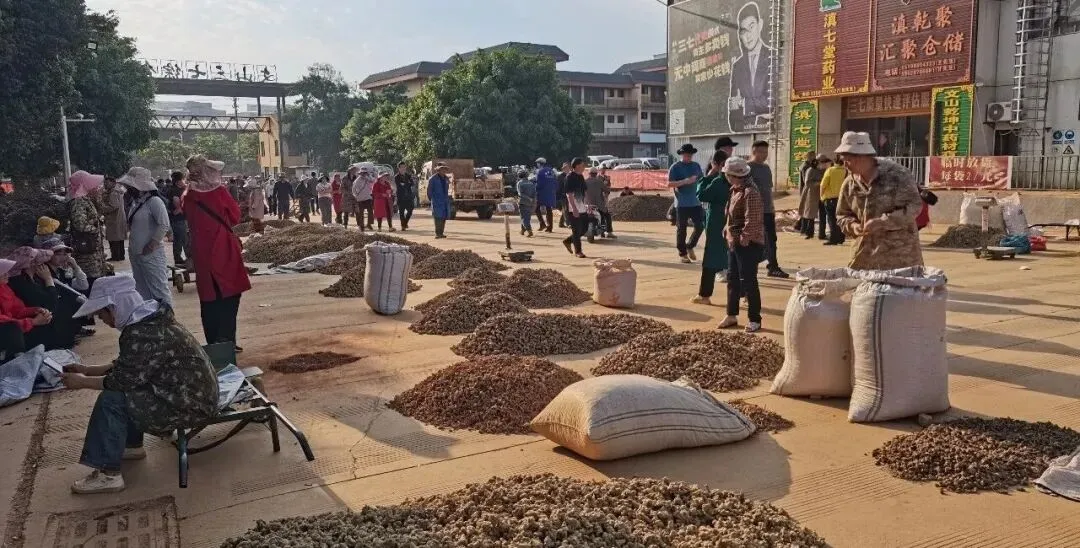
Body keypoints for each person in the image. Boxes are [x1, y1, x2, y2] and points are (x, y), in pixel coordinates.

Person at [61, 275, 218, 494]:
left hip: (190, 405)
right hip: (192, 395)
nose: (103, 320)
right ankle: (132, 445)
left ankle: (109, 475)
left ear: (114, 307)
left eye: (102, 313)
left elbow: (121, 380)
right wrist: (87, 370)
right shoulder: (150, 320)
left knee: (112, 400)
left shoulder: (142, 332)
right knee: (129, 391)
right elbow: (130, 367)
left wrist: (82, 382)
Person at [183, 155, 252, 351]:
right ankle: (226, 339)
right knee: (230, 294)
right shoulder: (219, 193)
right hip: (222, 248)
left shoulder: (188, 195)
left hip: (201, 251)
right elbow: (235, 217)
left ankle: (213, 341)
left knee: (209, 298)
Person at [834, 131, 924, 270]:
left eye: (848, 159)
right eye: (843, 160)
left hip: (900, 257)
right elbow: (842, 215)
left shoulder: (897, 176)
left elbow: (915, 206)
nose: (845, 165)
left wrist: (883, 222)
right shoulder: (849, 183)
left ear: (862, 157)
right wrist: (853, 226)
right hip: (864, 256)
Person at [719, 157, 765, 333]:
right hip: (734, 241)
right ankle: (731, 314)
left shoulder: (750, 192)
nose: (726, 178)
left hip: (748, 244)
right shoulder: (735, 190)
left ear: (734, 176)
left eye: (728, 175)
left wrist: (742, 240)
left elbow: (752, 220)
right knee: (732, 278)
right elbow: (730, 216)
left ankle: (755, 319)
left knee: (749, 281)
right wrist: (727, 231)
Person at [117, 167, 173, 308]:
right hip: (136, 253)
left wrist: (152, 244)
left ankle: (167, 322)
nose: (128, 189)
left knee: (159, 290)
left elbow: (164, 224)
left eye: (130, 186)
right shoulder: (137, 202)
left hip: (151, 254)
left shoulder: (154, 202)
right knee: (142, 291)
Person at [691, 150, 731, 306]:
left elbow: (701, 194)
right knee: (735, 259)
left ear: (717, 164)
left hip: (717, 222)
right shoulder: (738, 182)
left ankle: (704, 295)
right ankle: (746, 294)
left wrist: (708, 175)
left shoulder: (719, 182)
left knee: (710, 259)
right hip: (730, 221)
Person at [728, 2, 773, 132]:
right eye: (743, 31)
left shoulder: (772, 57)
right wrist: (760, 114)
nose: (748, 36)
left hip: (769, 130)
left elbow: (772, 102)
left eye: (751, 27)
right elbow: (734, 118)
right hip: (746, 130)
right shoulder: (738, 66)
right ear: (739, 35)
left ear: (760, 25)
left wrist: (743, 103)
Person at [748, 141, 788, 278]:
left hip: (768, 210)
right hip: (754, 211)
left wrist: (772, 206)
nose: (764, 155)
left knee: (771, 239)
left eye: (766, 152)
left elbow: (768, 189)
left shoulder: (766, 168)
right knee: (754, 240)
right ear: (754, 151)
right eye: (761, 152)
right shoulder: (748, 168)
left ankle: (773, 267)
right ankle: (749, 265)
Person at [0, 259, 53, 363]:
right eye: (3, 272)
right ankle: (18, 363)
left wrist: (36, 311)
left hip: (11, 326)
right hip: (7, 329)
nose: (7, 274)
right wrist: (32, 322)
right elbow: (3, 321)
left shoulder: (4, 287)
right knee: (12, 328)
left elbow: (17, 310)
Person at [667, 143, 705, 264]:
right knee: (681, 229)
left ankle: (690, 245)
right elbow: (669, 184)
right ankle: (682, 253)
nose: (688, 157)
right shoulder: (675, 167)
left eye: (690, 155)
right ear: (681, 154)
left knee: (700, 226)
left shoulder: (696, 166)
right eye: (686, 155)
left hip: (696, 202)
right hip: (682, 203)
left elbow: (701, 180)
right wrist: (685, 181)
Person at [561, 158, 590, 258]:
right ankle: (578, 251)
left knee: (584, 229)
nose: (584, 167)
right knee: (576, 230)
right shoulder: (570, 177)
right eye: (582, 165)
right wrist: (574, 209)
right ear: (577, 166)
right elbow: (569, 194)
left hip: (582, 206)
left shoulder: (581, 176)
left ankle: (568, 241)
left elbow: (585, 192)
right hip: (572, 207)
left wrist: (588, 204)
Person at [819, 155, 847, 245]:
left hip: (830, 198)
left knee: (831, 219)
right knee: (840, 219)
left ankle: (833, 238)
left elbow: (823, 185)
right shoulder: (845, 171)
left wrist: (821, 196)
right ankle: (841, 237)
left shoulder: (830, 170)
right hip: (841, 199)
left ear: (834, 162)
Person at [99, 176, 128, 262]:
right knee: (119, 239)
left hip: (114, 218)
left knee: (114, 238)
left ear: (113, 183)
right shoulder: (117, 191)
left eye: (107, 183)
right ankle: (120, 256)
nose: (105, 184)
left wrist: (102, 208)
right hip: (118, 218)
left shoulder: (113, 193)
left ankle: (116, 256)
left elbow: (114, 206)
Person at [165, 171, 190, 268]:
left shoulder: (176, 189)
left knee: (181, 239)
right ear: (178, 181)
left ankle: (180, 259)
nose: (184, 181)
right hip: (178, 219)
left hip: (179, 219)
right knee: (181, 239)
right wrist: (181, 209)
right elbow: (177, 204)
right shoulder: (175, 190)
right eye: (182, 179)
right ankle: (179, 260)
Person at [799, 155, 827, 240]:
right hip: (811, 194)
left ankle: (822, 234)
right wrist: (820, 182)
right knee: (810, 214)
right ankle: (809, 232)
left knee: (823, 214)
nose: (824, 164)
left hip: (822, 195)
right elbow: (808, 183)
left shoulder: (824, 170)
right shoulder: (810, 170)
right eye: (822, 162)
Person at [428, 163, 452, 239]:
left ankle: (441, 233)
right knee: (438, 217)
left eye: (444, 169)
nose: (443, 170)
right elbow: (429, 190)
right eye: (442, 169)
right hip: (436, 200)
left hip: (444, 200)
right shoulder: (433, 179)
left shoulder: (446, 179)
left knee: (444, 217)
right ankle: (437, 233)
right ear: (438, 170)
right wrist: (431, 199)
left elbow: (448, 188)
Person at [534, 158, 557, 232]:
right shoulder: (552, 171)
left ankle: (542, 224)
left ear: (539, 163)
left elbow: (539, 183)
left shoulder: (540, 171)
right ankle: (550, 227)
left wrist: (535, 190)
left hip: (542, 193)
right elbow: (555, 182)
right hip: (551, 193)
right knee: (549, 209)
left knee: (536, 209)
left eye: (537, 163)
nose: (537, 165)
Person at [352, 165, 376, 232]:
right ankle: (361, 226)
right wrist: (356, 196)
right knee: (361, 213)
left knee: (370, 212)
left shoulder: (368, 178)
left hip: (368, 197)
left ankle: (369, 224)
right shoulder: (357, 181)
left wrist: (369, 175)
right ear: (360, 173)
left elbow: (374, 181)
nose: (364, 174)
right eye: (363, 172)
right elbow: (353, 190)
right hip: (360, 199)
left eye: (365, 172)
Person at [394, 163, 415, 230]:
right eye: (401, 167)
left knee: (410, 210)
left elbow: (412, 183)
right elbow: (399, 186)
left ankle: (405, 222)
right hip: (401, 197)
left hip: (409, 196)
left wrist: (405, 184)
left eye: (404, 167)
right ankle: (403, 226)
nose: (403, 168)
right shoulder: (396, 177)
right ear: (399, 168)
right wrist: (407, 184)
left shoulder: (408, 175)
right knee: (401, 212)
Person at [516, 170, 536, 237]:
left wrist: (528, 198)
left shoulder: (519, 183)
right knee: (527, 217)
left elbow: (520, 193)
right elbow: (534, 194)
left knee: (523, 218)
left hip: (523, 202)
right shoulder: (531, 183)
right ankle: (522, 230)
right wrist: (533, 202)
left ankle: (529, 231)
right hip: (530, 203)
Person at [597, 167, 615, 237]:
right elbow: (600, 187)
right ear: (600, 170)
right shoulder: (598, 178)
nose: (603, 170)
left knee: (604, 215)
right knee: (603, 215)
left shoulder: (607, 177)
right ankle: (603, 232)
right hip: (599, 198)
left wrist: (607, 193)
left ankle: (603, 231)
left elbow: (608, 187)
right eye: (602, 169)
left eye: (604, 169)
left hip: (605, 197)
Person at [556, 162, 571, 228]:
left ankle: (561, 223)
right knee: (566, 209)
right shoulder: (560, 176)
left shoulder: (570, 176)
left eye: (567, 168)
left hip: (569, 195)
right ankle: (568, 224)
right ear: (563, 169)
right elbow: (558, 187)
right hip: (563, 195)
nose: (567, 169)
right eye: (565, 168)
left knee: (565, 210)